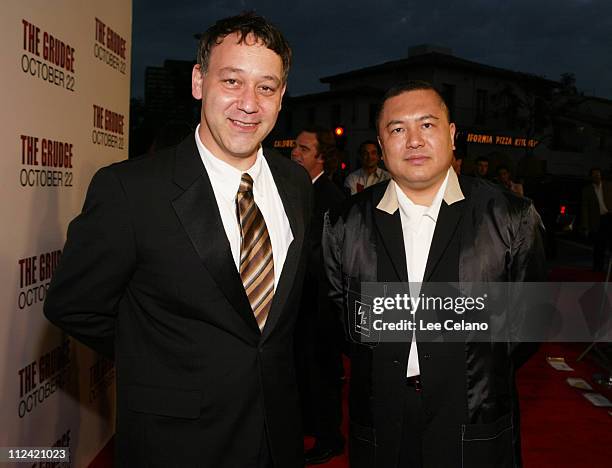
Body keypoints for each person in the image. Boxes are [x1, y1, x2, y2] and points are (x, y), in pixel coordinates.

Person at [44, 13, 312, 468]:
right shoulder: (130, 190)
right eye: (232, 80)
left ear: (281, 96)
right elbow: (74, 305)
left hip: (278, 433)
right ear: (198, 81)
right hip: (176, 441)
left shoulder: (296, 184)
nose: (249, 103)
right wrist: (163, 358)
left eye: (266, 87)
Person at [323, 81, 546, 468]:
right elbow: (342, 323)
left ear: (452, 134)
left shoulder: (511, 217)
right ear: (380, 141)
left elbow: (526, 328)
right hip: (381, 419)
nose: (413, 140)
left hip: (473, 414)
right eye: (397, 129)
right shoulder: (344, 221)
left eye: (427, 125)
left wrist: (467, 362)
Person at [291, 127, 346, 464]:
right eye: (295, 146)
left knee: (322, 374)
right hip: (300, 305)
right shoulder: (298, 189)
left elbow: (325, 257)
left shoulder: (330, 198)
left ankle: (330, 438)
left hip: (320, 306)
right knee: (302, 371)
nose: (294, 152)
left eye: (303, 148)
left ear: (321, 157)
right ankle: (310, 425)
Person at [581, 167, 612, 272]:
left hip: (609, 217)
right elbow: (584, 209)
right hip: (598, 220)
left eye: (598, 174)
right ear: (591, 177)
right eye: (594, 175)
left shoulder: (608, 186)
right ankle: (598, 268)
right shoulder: (587, 190)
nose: (597, 176)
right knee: (599, 246)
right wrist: (585, 226)